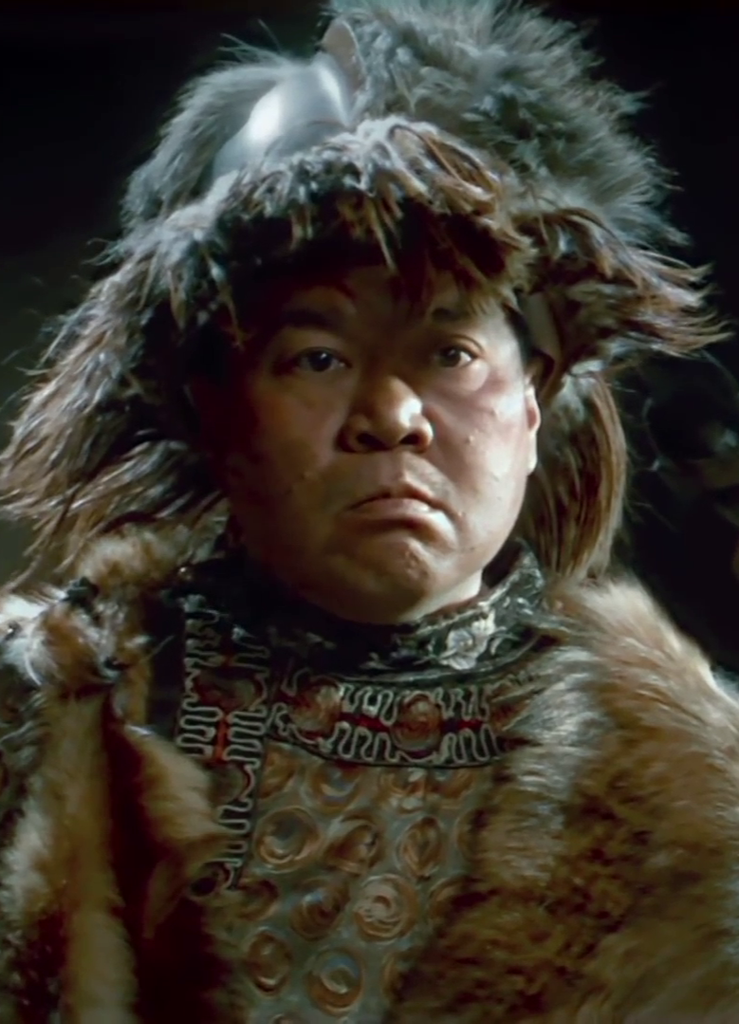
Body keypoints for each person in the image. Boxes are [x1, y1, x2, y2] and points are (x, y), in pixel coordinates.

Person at [0, 0, 737, 1020]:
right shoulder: (41, 716)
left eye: (449, 352)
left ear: (533, 402)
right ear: (215, 407)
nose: (391, 415)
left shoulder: (695, 794)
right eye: (317, 357)